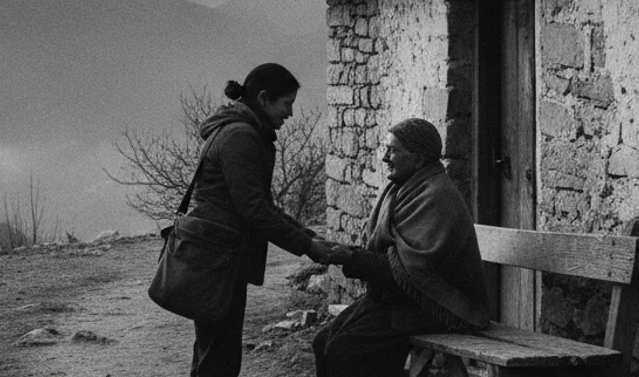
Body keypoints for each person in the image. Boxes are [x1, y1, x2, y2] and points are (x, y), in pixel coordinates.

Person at [184, 63, 340, 377]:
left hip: (218, 254)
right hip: (220, 257)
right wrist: (308, 244)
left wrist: (306, 235)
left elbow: (259, 204)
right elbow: (253, 209)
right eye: (287, 104)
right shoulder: (241, 136)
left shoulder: (238, 130)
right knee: (219, 355)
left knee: (215, 348)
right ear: (264, 98)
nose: (291, 114)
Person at [312, 118, 490, 377]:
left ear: (418, 159)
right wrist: (348, 254)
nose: (385, 158)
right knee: (323, 342)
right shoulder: (403, 189)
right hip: (398, 299)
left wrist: (351, 258)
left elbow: (413, 270)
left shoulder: (437, 196)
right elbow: (392, 258)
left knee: (347, 350)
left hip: (435, 305)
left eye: (392, 150)